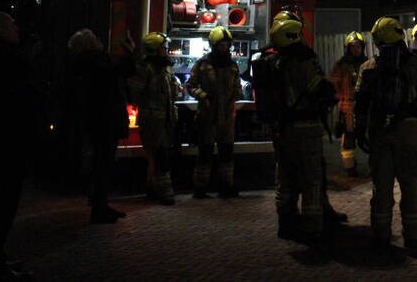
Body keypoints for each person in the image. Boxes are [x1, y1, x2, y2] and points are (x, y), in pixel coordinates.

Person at [0, 11, 43, 280]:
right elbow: (23, 95)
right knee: (1, 204)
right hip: (6, 143)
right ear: (1, 29)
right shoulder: (4, 57)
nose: (17, 28)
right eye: (13, 25)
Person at [354, 17, 417, 250]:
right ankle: (413, 237)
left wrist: (360, 131)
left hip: (379, 130)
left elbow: (361, 104)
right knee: (410, 186)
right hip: (408, 129)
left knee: (382, 187)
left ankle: (381, 235)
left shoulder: (368, 67)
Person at [254, 18, 336, 241]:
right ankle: (313, 227)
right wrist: (329, 90)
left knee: (286, 177)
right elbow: (319, 90)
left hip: (282, 129)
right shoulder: (302, 62)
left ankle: (286, 224)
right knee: (311, 179)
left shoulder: (272, 61)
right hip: (306, 128)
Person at [70, 27, 132, 224]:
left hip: (100, 121)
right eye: (95, 38)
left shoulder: (88, 63)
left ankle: (101, 205)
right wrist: (129, 52)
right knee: (103, 164)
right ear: (89, 43)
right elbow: (121, 72)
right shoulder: (95, 62)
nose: (99, 39)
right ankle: (99, 209)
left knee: (102, 164)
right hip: (104, 121)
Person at [187, 26, 243, 198]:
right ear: (214, 45)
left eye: (227, 45)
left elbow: (237, 87)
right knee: (205, 153)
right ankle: (200, 188)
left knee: (227, 153)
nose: (224, 48)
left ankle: (226, 186)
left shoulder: (232, 66)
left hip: (226, 117)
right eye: (221, 45)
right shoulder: (203, 65)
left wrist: (236, 94)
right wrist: (203, 96)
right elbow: (190, 85)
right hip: (207, 116)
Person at [127, 32, 180, 205]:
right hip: (152, 120)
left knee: (157, 157)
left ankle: (152, 189)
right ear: (154, 50)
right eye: (164, 48)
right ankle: (165, 192)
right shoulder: (144, 68)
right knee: (160, 156)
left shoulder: (164, 68)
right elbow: (135, 93)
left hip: (165, 119)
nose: (166, 51)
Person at [330, 31, 367, 176]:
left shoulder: (367, 63)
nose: (356, 49)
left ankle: (373, 165)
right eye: (353, 47)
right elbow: (334, 84)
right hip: (348, 108)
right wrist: (341, 100)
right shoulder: (341, 65)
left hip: (365, 106)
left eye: (359, 46)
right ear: (348, 48)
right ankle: (350, 168)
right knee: (348, 139)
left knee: (367, 135)